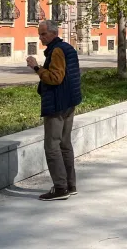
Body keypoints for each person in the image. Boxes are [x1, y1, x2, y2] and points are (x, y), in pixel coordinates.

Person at [26, 20, 83, 201]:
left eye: (43, 34)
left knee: (52, 147)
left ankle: (60, 188)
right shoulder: (67, 48)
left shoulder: (57, 51)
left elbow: (55, 78)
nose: (40, 37)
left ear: (53, 33)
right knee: (65, 144)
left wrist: (36, 67)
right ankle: (70, 185)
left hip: (57, 104)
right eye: (39, 34)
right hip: (69, 102)